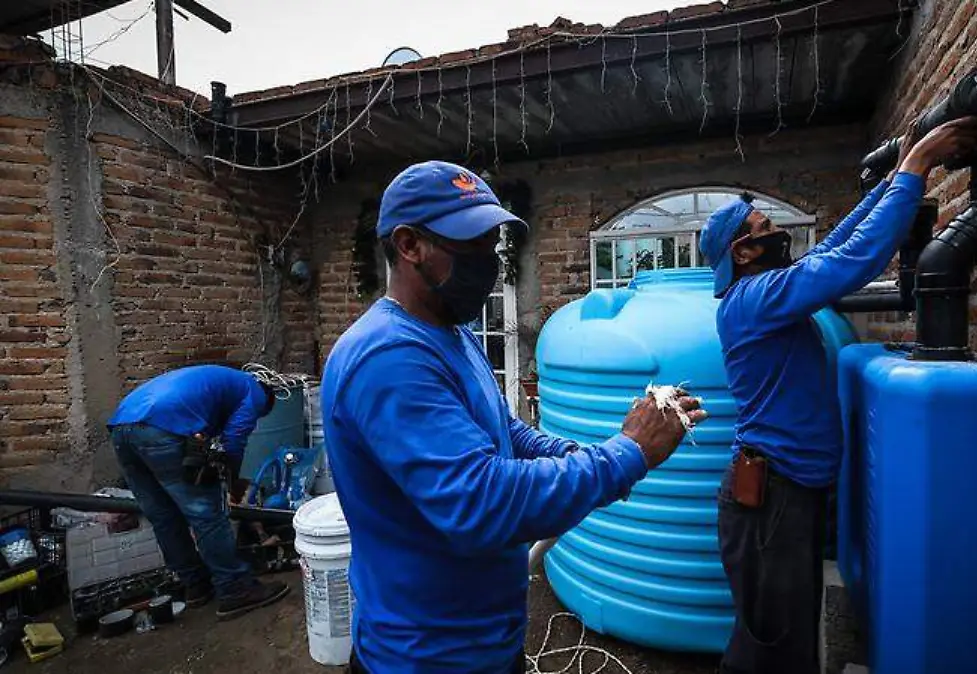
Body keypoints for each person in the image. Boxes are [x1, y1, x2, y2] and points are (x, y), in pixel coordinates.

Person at [321, 160, 706, 674]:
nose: (491, 260)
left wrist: (577, 457)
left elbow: (503, 430)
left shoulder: (450, 331)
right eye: (471, 242)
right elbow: (481, 502)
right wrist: (625, 455)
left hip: (484, 641)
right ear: (409, 245)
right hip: (428, 657)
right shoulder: (389, 358)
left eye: (493, 241)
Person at [699, 118, 977, 674]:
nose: (776, 230)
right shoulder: (754, 298)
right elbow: (849, 263)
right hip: (770, 498)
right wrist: (916, 168)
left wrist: (889, 183)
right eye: (763, 227)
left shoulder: (764, 291)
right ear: (743, 252)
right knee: (772, 646)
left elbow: (832, 246)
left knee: (787, 632)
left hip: (786, 489)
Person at [107, 364, 290, 620]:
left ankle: (195, 584)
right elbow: (235, 440)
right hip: (162, 426)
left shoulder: (221, 382)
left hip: (122, 425)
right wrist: (231, 481)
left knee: (163, 515)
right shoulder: (255, 392)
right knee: (207, 513)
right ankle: (236, 589)